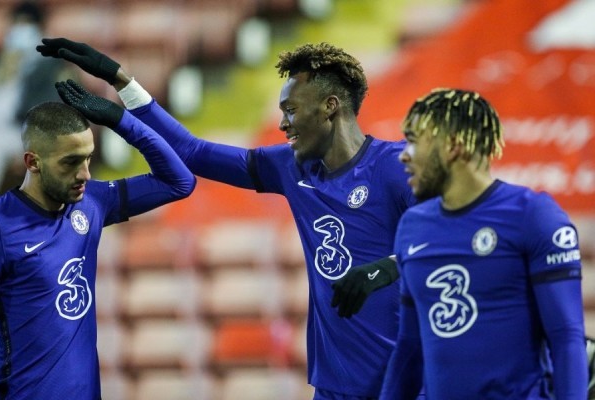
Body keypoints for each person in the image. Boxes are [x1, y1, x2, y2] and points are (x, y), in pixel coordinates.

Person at [37, 38, 416, 399]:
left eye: (292, 109)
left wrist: (383, 269)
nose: (283, 124)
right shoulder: (290, 167)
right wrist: (122, 83)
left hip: (404, 383)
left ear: (330, 106)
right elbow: (193, 152)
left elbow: (448, 239)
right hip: (335, 386)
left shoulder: (395, 167)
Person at [378, 88, 587, 399]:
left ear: (453, 145)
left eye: (414, 141)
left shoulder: (533, 215)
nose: (404, 155)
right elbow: (410, 347)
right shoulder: (412, 227)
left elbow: (566, 337)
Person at [0, 81, 196, 399]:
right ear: (32, 162)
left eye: (88, 159)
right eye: (70, 162)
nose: (85, 174)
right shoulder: (1, 226)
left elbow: (179, 181)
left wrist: (121, 120)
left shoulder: (92, 202)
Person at [0, 1, 76, 195]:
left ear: (39, 28)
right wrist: (8, 68)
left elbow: (53, 109)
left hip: (25, 130)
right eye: (17, 24)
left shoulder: (51, 64)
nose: (20, 30)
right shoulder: (2, 59)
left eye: (26, 24)